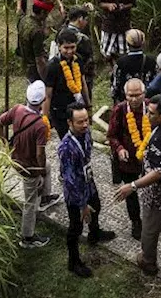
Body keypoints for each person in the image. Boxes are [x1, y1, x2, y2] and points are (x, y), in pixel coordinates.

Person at [114, 93, 161, 284]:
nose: (147, 116)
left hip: (159, 195)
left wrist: (132, 185)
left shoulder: (159, 138)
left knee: (149, 230)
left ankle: (148, 261)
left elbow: (158, 172)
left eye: (151, 113)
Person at [58, 105, 116, 277]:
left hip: (88, 181)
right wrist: (82, 205)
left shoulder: (85, 133)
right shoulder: (66, 148)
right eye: (80, 122)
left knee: (96, 206)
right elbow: (69, 181)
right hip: (75, 191)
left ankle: (94, 233)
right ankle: (74, 261)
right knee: (75, 227)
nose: (85, 124)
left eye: (86, 120)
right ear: (69, 122)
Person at [0, 81, 54, 249]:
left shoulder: (17, 109)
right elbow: (39, 154)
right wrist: (40, 169)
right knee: (29, 202)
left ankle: (46, 197)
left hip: (16, 159)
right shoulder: (40, 125)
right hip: (30, 167)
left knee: (48, 167)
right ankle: (27, 237)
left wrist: (4, 146)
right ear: (43, 101)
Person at [106, 77, 149, 239]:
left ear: (144, 94)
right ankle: (136, 221)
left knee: (152, 189)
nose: (134, 99)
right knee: (131, 192)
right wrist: (119, 148)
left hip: (148, 160)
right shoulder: (120, 110)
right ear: (125, 95)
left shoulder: (151, 107)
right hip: (128, 161)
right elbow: (111, 135)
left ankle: (157, 220)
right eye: (130, 95)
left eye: (137, 95)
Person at [42, 29, 92, 139]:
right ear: (59, 46)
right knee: (67, 139)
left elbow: (82, 83)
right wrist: (45, 118)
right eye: (66, 48)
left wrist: (88, 105)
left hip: (76, 107)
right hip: (60, 111)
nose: (69, 51)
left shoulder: (78, 60)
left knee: (83, 137)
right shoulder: (53, 66)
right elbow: (48, 95)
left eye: (72, 47)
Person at [96, 0, 136, 69]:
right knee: (107, 50)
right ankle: (111, 66)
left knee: (124, 50)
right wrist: (108, 5)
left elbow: (133, 3)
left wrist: (124, 6)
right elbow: (99, 3)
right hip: (109, 23)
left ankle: (122, 67)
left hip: (124, 23)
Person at [113, 29, 154, 105]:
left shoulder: (120, 62)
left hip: (126, 102)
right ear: (143, 43)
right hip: (147, 102)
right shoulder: (151, 61)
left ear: (128, 44)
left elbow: (115, 85)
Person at [52, 5, 95, 71]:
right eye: (86, 19)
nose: (86, 22)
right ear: (80, 19)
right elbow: (88, 61)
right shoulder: (82, 38)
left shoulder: (60, 32)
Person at [19, 1, 51, 84]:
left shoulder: (23, 20)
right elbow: (39, 60)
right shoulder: (37, 32)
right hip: (35, 69)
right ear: (42, 12)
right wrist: (45, 78)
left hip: (25, 64)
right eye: (47, 14)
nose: (47, 16)